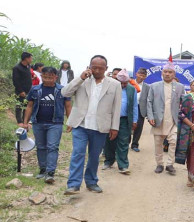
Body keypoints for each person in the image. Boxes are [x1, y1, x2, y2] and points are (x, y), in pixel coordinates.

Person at [62, 55, 122, 195]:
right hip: (81, 125)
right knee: (78, 154)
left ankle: (91, 182)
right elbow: (65, 92)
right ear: (89, 67)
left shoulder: (115, 84)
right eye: (94, 67)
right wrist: (81, 78)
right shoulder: (82, 80)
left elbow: (116, 107)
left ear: (106, 69)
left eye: (100, 68)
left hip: (100, 126)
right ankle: (73, 185)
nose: (97, 70)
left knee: (94, 156)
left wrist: (115, 127)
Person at [21, 67, 71, 183]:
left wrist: (70, 122)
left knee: (53, 147)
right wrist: (25, 122)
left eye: (50, 77)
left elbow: (68, 106)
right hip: (38, 122)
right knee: (41, 147)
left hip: (55, 123)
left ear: (55, 77)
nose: (48, 80)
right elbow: (29, 106)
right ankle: (42, 169)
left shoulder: (62, 90)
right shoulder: (35, 89)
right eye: (45, 77)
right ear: (41, 76)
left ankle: (50, 173)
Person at [146, 62, 185, 175]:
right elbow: (149, 102)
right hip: (159, 119)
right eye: (165, 72)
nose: (167, 74)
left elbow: (183, 103)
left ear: (174, 74)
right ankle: (159, 164)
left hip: (173, 120)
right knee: (158, 143)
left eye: (170, 72)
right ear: (162, 73)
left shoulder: (180, 87)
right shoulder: (154, 86)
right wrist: (150, 117)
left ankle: (170, 164)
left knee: (173, 141)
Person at [102, 69, 137, 174]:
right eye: (121, 83)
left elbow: (134, 106)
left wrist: (134, 120)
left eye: (125, 83)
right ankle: (109, 161)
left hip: (124, 119)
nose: (123, 85)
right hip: (111, 118)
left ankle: (123, 165)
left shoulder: (132, 89)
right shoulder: (110, 87)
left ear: (128, 82)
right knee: (109, 141)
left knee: (123, 142)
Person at [130, 67, 149, 152]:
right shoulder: (130, 83)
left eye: (143, 75)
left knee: (139, 127)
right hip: (130, 107)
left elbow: (149, 99)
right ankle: (125, 143)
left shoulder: (147, 87)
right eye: (140, 75)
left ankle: (135, 144)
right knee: (128, 125)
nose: (141, 77)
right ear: (136, 74)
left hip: (141, 108)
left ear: (145, 77)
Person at [12, 52, 33, 124]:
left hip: (28, 90)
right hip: (21, 91)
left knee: (27, 106)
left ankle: (25, 121)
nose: (31, 59)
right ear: (26, 58)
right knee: (19, 106)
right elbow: (16, 80)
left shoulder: (28, 66)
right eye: (30, 58)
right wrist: (20, 91)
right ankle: (19, 121)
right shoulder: (17, 68)